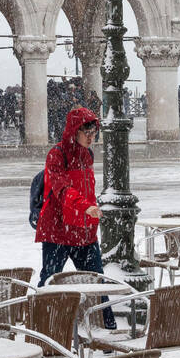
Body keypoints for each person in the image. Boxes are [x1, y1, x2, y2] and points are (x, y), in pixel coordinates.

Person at [35, 105, 116, 330]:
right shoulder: (57, 154)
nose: (91, 138)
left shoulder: (87, 155)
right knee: (50, 281)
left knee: (97, 283)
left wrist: (89, 211)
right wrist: (84, 207)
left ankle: (105, 330)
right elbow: (62, 189)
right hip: (58, 230)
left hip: (84, 231)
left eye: (94, 134)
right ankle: (42, 327)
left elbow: (87, 190)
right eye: (86, 133)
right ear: (74, 132)